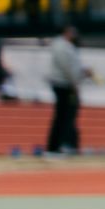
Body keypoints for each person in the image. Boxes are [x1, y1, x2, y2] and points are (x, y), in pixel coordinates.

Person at [45, 25, 92, 155]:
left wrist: (81, 74)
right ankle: (57, 146)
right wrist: (75, 83)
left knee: (66, 116)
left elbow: (72, 67)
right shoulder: (62, 47)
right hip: (64, 85)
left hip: (66, 84)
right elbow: (68, 69)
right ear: (67, 32)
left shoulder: (65, 46)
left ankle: (62, 145)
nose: (75, 35)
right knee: (64, 116)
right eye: (73, 32)